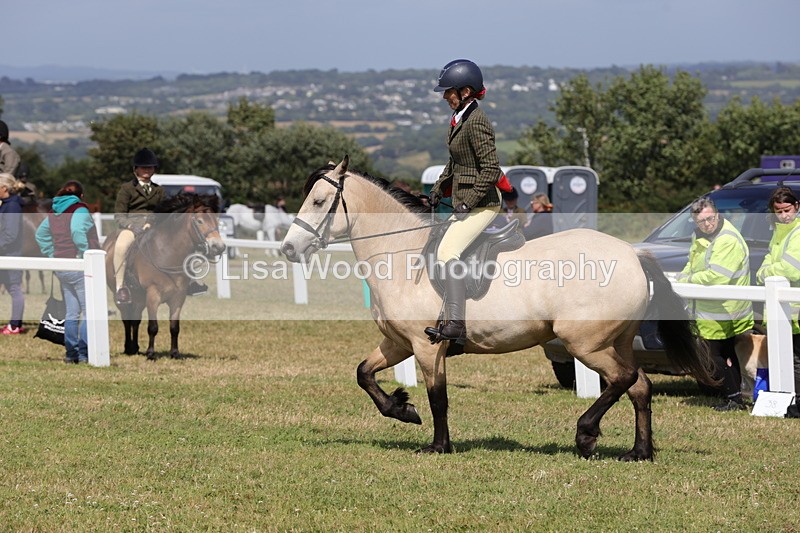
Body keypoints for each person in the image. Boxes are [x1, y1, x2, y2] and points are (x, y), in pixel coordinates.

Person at [426, 59, 502, 345]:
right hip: (467, 200)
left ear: (466, 91)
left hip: (484, 204)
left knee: (447, 252)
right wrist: (437, 189)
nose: (445, 96)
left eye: (449, 92)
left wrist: (468, 202)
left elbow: (491, 169)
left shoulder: (478, 121)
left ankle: (457, 325)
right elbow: (455, 164)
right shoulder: (460, 118)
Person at [676, 197, 754, 411]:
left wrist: (687, 281)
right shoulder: (699, 236)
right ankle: (732, 396)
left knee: (718, 355)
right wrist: (680, 278)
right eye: (701, 221)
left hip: (725, 308)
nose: (707, 224)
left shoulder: (727, 239)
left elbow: (717, 277)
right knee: (719, 354)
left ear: (718, 215)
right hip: (708, 308)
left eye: (710, 218)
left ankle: (734, 399)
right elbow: (692, 265)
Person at [113, 147, 207, 305]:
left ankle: (190, 281)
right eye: (144, 167)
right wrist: (130, 225)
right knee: (121, 246)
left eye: (150, 167)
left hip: (154, 226)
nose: (147, 170)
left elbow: (163, 210)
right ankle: (120, 287)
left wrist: (155, 221)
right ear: (136, 169)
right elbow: (119, 215)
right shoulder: (126, 189)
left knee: (185, 245)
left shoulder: (159, 190)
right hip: (132, 226)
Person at [35, 181, 100, 363]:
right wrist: (84, 253)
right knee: (88, 312)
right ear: (81, 196)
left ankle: (71, 354)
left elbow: (40, 235)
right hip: (78, 265)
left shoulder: (54, 211)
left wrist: (51, 254)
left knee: (72, 313)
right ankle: (84, 353)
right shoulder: (79, 209)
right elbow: (77, 231)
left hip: (61, 266)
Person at [755, 187, 800, 396]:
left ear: (797, 206)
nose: (784, 216)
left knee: (796, 358)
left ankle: (797, 404)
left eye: (787, 210)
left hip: (795, 308)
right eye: (779, 211)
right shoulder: (779, 234)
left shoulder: (797, 232)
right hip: (785, 309)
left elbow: (792, 269)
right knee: (788, 357)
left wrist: (767, 272)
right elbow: (767, 263)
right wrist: (766, 271)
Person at [0, 173, 28, 334]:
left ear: (4, 188)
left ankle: (15, 325)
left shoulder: (12, 206)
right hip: (5, 253)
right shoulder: (6, 204)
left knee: (14, 288)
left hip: (10, 253)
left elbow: (10, 235)